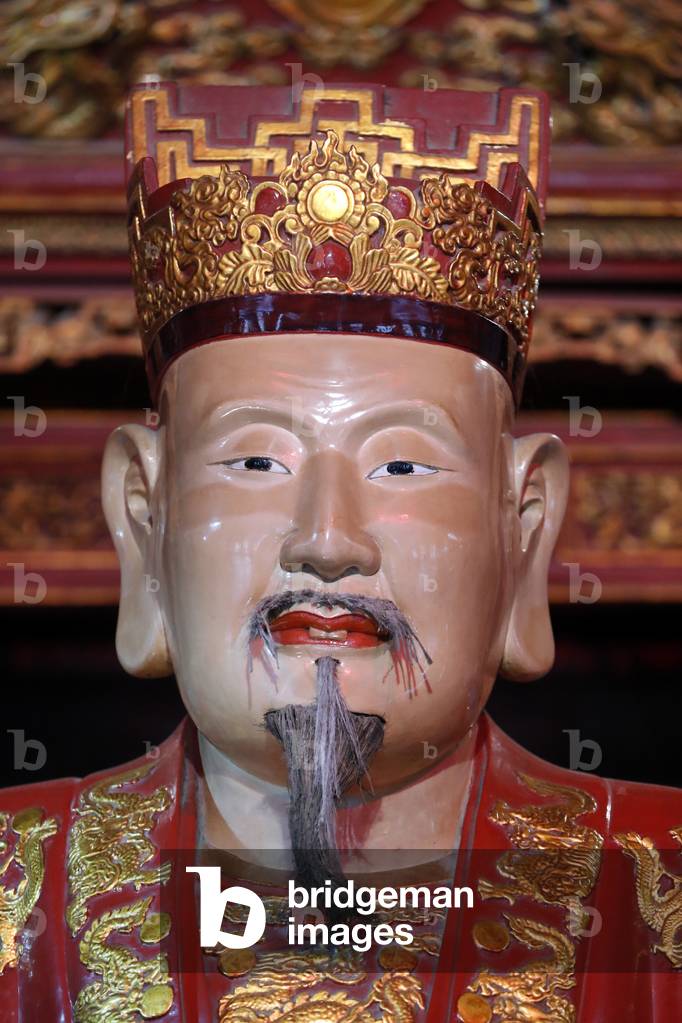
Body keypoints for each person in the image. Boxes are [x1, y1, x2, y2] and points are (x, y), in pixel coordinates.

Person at [0, 82, 679, 1023]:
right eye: (254, 459)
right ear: (144, 517)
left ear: (524, 530)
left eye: (403, 462)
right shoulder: (14, 891)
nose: (325, 540)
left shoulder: (656, 893)